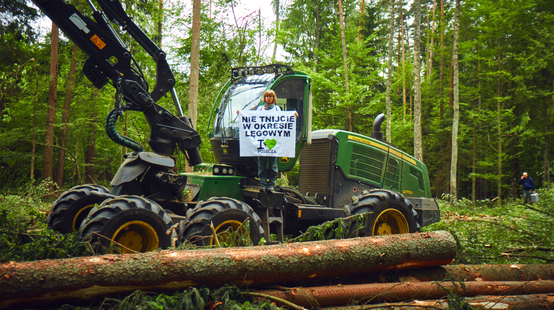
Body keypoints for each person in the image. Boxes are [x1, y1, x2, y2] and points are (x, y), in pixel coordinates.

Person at [257, 90, 281, 192]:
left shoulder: (277, 109)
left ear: (273, 98)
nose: (268, 98)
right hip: (262, 140)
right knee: (261, 163)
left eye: (271, 96)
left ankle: (271, 184)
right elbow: (251, 118)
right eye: (267, 96)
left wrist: (294, 115)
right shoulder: (259, 109)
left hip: (273, 141)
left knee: (273, 164)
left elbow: (284, 120)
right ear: (264, 98)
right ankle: (263, 184)